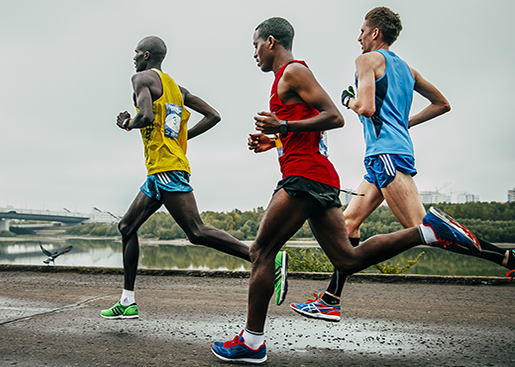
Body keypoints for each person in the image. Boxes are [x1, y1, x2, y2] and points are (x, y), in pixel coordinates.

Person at [210, 17, 483, 364]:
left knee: (261, 253)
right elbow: (309, 129)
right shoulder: (287, 78)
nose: (254, 54)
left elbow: (334, 116)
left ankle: (251, 343)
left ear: (271, 42)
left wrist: (284, 124)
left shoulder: (293, 71)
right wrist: (274, 139)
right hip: (319, 177)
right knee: (347, 259)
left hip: (304, 177)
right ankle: (425, 231)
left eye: (255, 45)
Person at [291, 6, 515, 323]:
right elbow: (442, 104)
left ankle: (507, 257)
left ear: (375, 33)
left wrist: (348, 100)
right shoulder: (407, 69)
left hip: (386, 155)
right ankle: (330, 300)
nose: (358, 37)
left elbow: (366, 108)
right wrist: (403, 123)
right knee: (348, 224)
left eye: (362, 30)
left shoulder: (366, 60)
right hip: (386, 155)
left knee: (424, 229)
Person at [100, 36, 288, 320]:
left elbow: (147, 116)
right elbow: (213, 115)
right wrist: (180, 137)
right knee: (127, 226)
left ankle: (262, 257)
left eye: (136, 52)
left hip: (166, 168)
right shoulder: (177, 89)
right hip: (159, 170)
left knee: (197, 232)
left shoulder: (140, 78)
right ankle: (127, 301)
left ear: (147, 55)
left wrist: (127, 122)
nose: (134, 57)